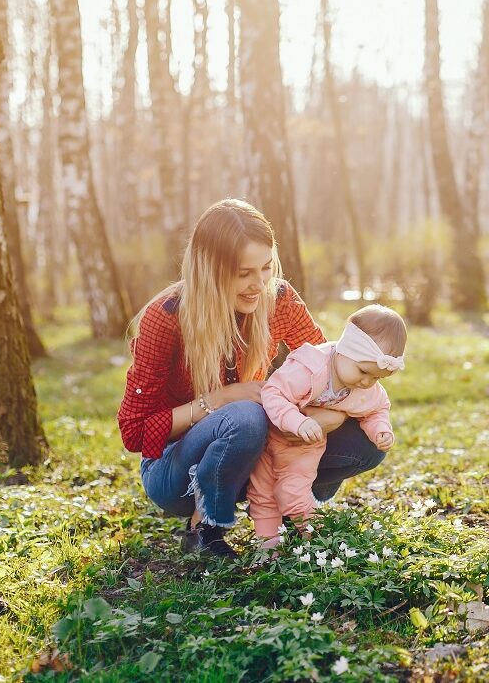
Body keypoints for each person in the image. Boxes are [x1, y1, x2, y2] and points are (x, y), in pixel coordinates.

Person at [117, 199, 386, 557]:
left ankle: (291, 503)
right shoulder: (165, 318)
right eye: (243, 273)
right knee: (246, 416)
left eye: (265, 268)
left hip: (259, 450)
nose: (258, 284)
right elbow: (135, 432)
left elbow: (332, 374)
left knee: (364, 444)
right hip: (174, 470)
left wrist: (318, 419)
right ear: (209, 270)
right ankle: (204, 530)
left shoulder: (279, 300)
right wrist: (223, 398)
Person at [248, 305, 405, 548]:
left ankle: (319, 541)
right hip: (270, 435)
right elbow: (273, 392)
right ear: (345, 351)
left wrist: (381, 429)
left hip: (303, 449)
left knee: (293, 492)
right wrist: (296, 421)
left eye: (377, 378)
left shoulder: (365, 388)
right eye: (363, 372)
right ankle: (268, 551)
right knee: (262, 496)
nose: (367, 382)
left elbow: (377, 408)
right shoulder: (309, 367)